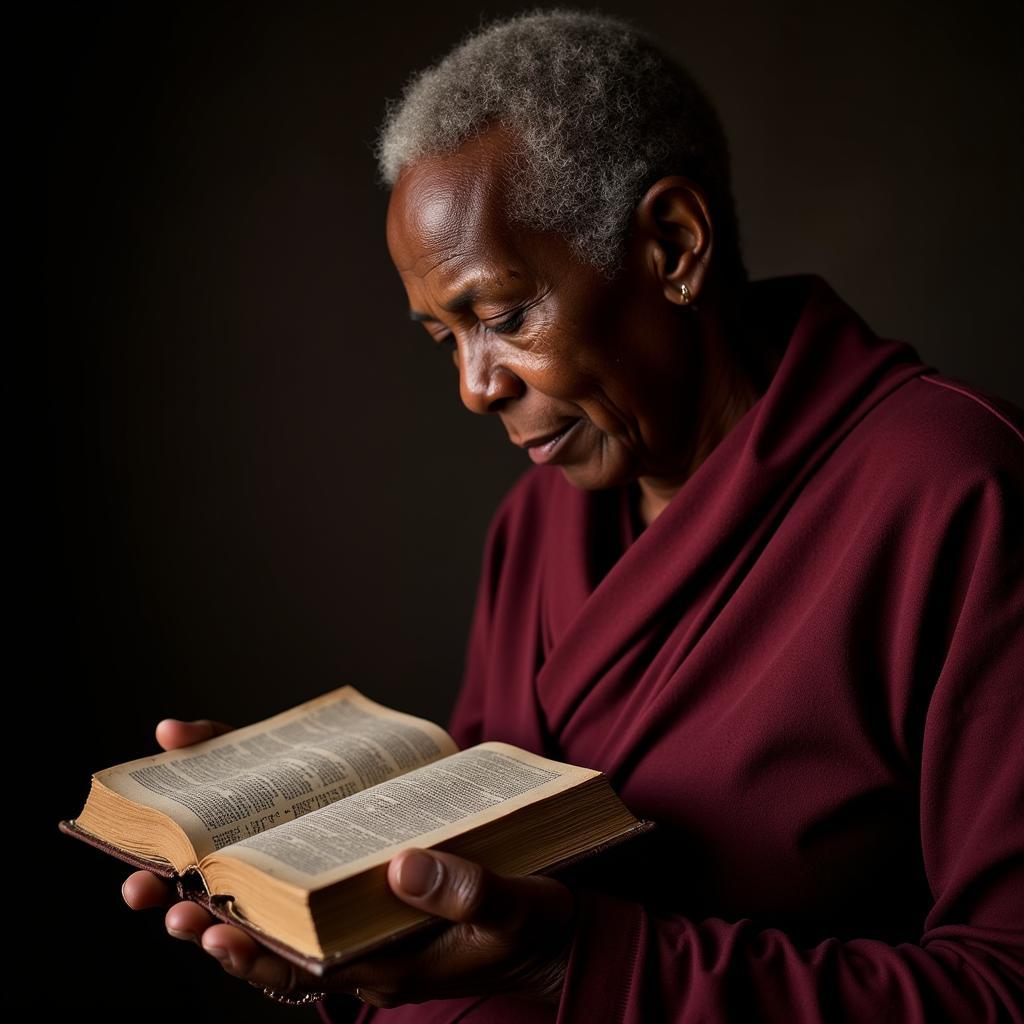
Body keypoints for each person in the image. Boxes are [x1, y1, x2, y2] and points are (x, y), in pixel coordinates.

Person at [121, 8, 1024, 1022]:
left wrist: (580, 968)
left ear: (672, 246)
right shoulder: (538, 526)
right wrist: (342, 938)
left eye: (503, 317)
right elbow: (476, 890)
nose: (473, 386)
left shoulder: (958, 494)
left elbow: (1006, 985)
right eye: (443, 338)